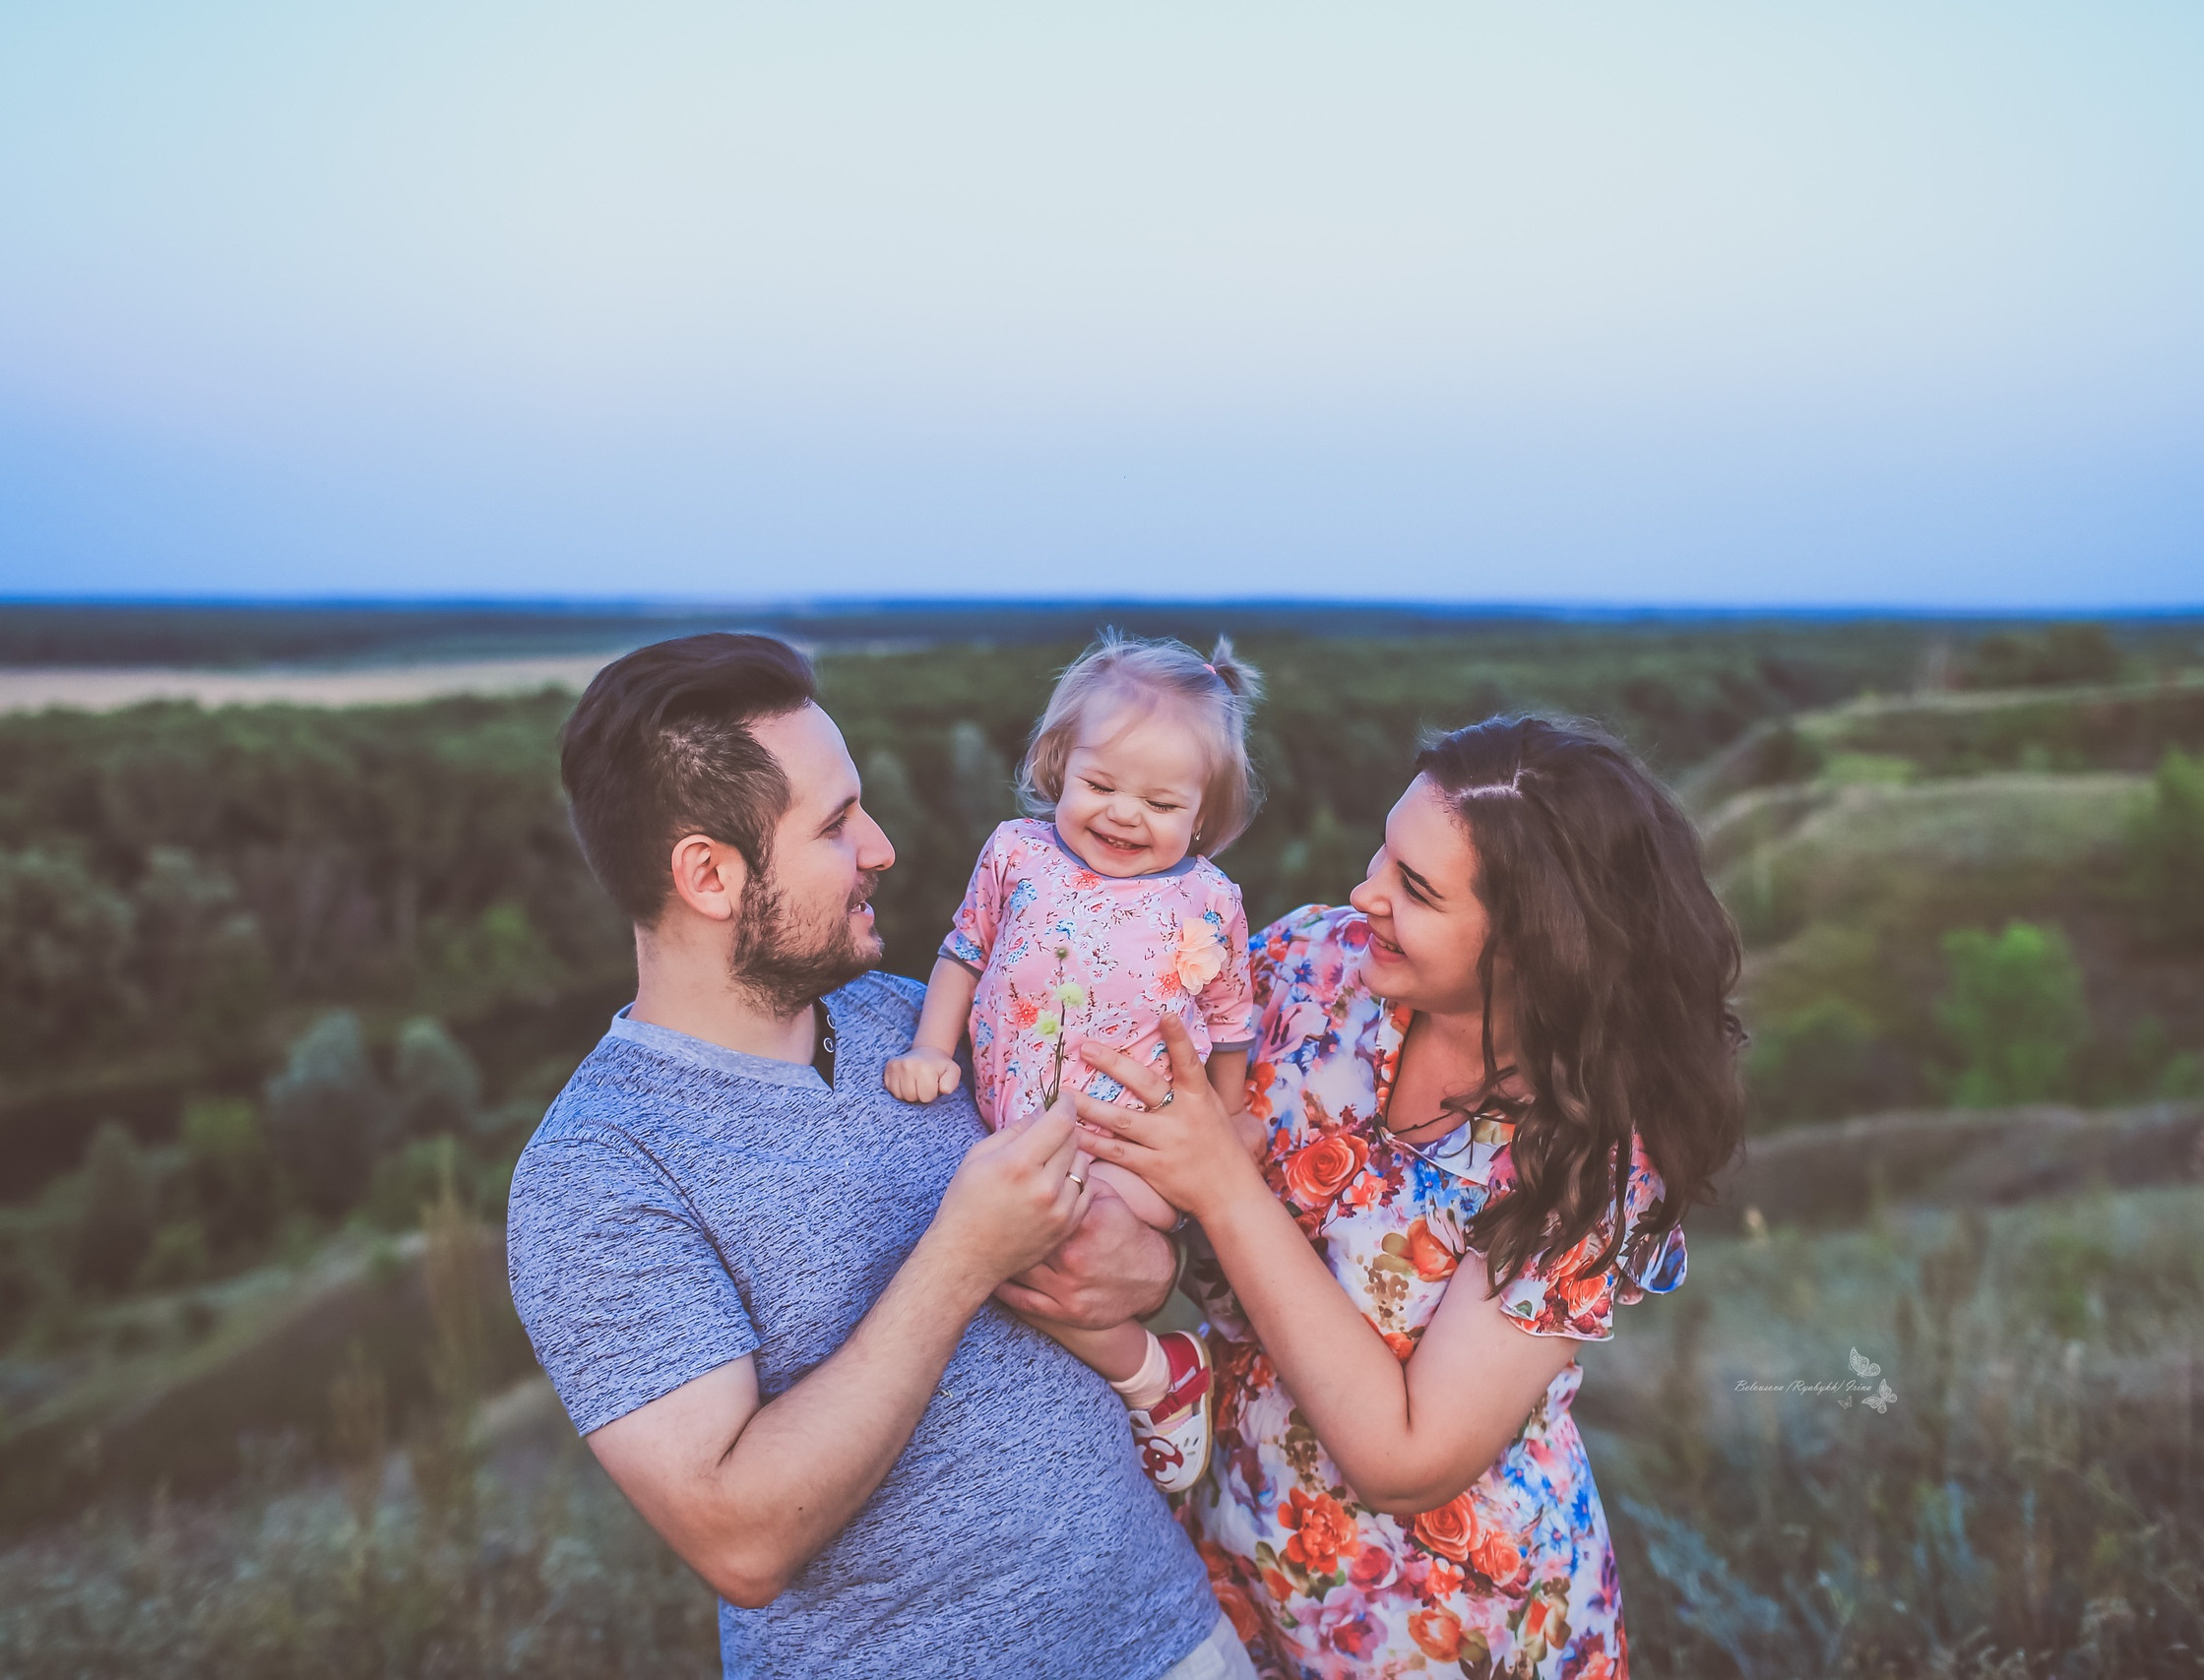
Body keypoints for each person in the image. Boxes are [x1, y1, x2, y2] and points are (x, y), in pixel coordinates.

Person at [504, 633, 1259, 1680]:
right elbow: (741, 1538)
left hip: (1171, 1640)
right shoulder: (599, 1172)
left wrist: (1153, 1266)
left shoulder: (926, 1027)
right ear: (709, 875)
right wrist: (961, 1257)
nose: (882, 846)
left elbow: (1135, 1228)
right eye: (836, 823)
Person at [1072, 715, 1746, 1678]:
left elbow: (1408, 1459)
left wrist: (1222, 1191)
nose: (1363, 894)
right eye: (1382, 855)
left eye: (1415, 890)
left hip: (1445, 1624)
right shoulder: (1313, 968)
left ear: (1535, 946)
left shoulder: (1589, 1159)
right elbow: (1147, 1126)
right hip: (1226, 1563)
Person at [885, 630, 1263, 1492]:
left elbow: (1231, 1022)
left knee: (1057, 1244)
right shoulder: (1018, 854)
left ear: (1203, 816)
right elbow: (963, 953)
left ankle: (1151, 1376)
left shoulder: (1207, 900)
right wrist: (927, 1049)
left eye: (1163, 805)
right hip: (1023, 1125)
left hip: (1134, 1145)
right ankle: (1131, 1380)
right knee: (1007, 1238)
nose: (1124, 815)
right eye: (1100, 785)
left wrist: (1227, 1124)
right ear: (1059, 765)